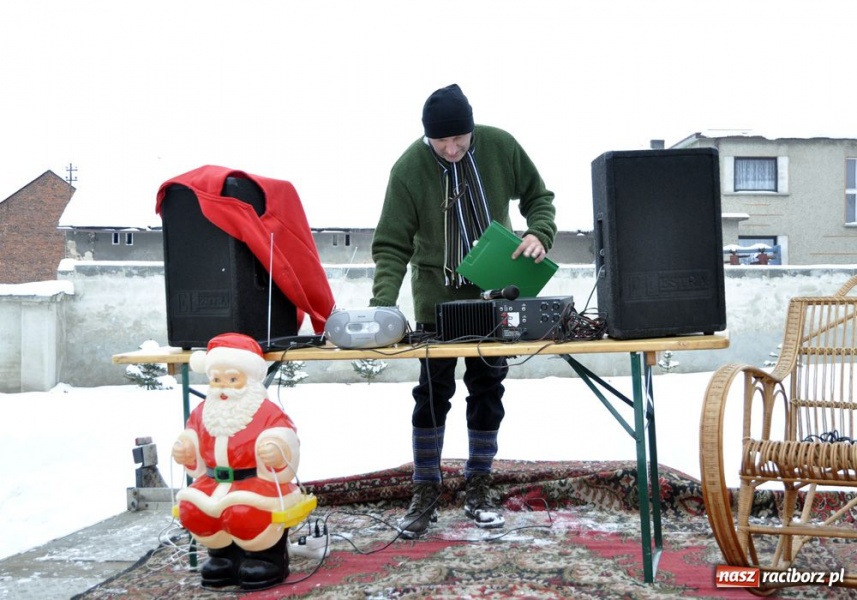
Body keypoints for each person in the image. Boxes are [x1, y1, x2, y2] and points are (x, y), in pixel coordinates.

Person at [369, 84, 557, 538]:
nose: (452, 149)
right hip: (437, 299)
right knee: (432, 394)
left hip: (495, 296)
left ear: (472, 131)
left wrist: (540, 233)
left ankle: (478, 485)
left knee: (487, 389)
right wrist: (381, 306)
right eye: (442, 142)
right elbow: (391, 245)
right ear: (426, 138)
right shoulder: (408, 170)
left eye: (461, 140)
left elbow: (539, 197)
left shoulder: (501, 146)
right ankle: (426, 490)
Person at [172, 333, 314, 590]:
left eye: (232, 379)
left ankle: (266, 559)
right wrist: (186, 449)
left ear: (248, 379)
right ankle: (222, 558)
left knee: (246, 514)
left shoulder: (266, 411)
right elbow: (192, 435)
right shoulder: (203, 411)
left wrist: (277, 446)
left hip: (255, 481)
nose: (223, 386)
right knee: (196, 510)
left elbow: (285, 434)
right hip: (212, 481)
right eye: (216, 380)